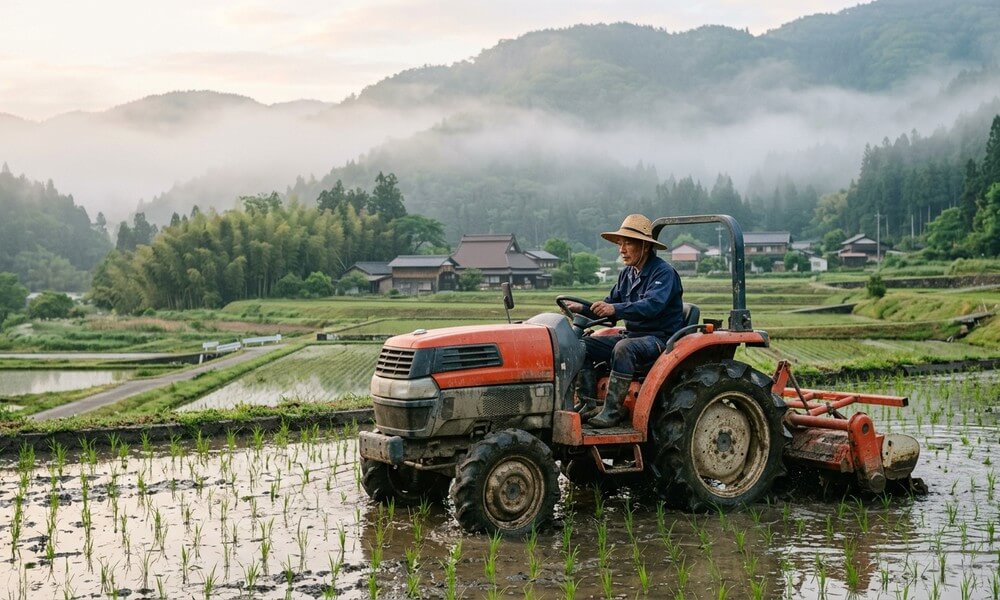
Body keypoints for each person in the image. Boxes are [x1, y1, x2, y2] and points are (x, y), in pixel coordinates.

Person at [566, 214, 684, 428]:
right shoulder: (627, 275)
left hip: (659, 339)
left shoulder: (664, 273)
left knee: (623, 348)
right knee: (580, 345)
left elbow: (652, 305)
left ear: (645, 247)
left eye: (628, 243)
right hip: (633, 336)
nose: (621, 249)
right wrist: (583, 309)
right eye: (620, 243)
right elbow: (610, 306)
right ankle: (588, 403)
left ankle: (613, 411)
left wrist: (615, 308)